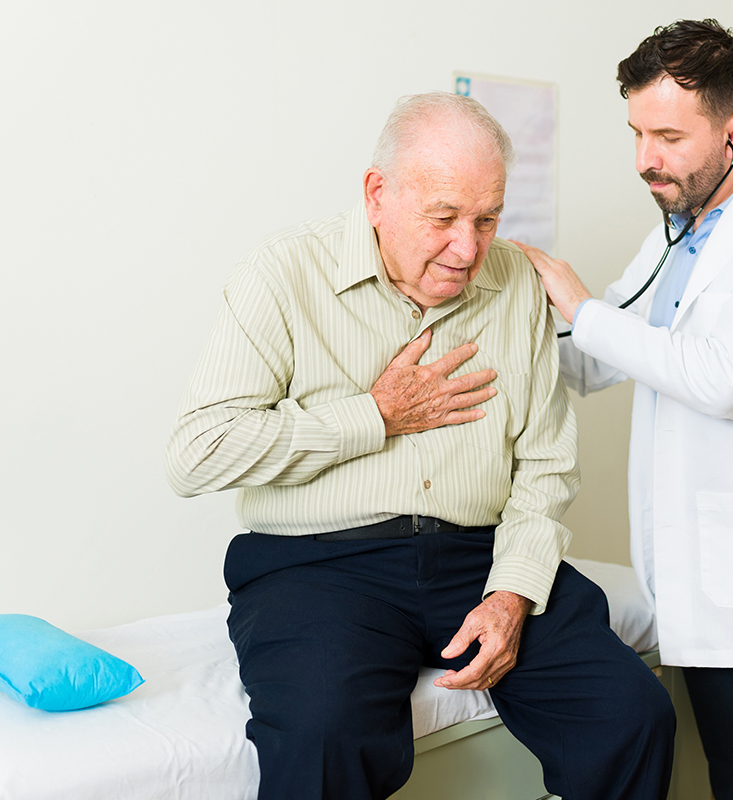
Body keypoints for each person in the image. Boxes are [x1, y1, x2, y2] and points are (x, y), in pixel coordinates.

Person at [166, 92, 675, 800]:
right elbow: (197, 453)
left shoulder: (517, 286)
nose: (469, 249)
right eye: (443, 218)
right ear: (378, 195)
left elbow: (546, 465)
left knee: (632, 715)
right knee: (321, 737)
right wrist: (373, 415)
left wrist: (511, 592)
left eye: (487, 219)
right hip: (319, 569)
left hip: (479, 557)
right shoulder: (282, 275)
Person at [514, 19, 733, 800]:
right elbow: (594, 359)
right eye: (638, 132)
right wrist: (511, 316)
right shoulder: (679, 232)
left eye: (669, 135)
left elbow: (722, 377)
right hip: (699, 582)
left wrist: (578, 300)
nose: (647, 159)